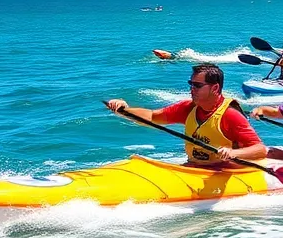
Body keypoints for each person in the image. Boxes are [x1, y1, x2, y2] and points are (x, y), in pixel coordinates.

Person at [106, 63, 266, 167]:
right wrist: (125, 109)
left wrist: (233, 153)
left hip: (227, 172)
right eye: (191, 84)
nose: (192, 89)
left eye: (197, 85)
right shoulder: (188, 108)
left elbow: (260, 149)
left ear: (215, 88)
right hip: (195, 168)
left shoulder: (230, 115)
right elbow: (153, 117)